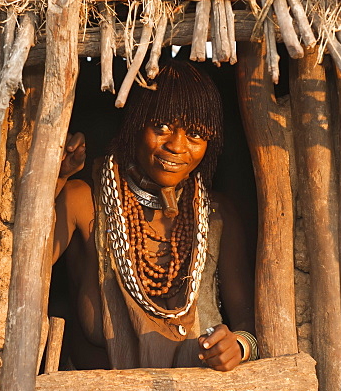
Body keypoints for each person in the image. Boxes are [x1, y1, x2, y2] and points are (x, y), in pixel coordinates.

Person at [52, 60, 256, 371]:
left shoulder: (217, 217)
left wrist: (238, 347)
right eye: (161, 126)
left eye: (196, 135)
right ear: (135, 124)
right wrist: (56, 179)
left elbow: (250, 326)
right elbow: (23, 274)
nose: (176, 146)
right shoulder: (84, 203)